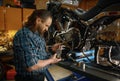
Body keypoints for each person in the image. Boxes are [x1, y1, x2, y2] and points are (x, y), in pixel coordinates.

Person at [13, 9, 62, 81]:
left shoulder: (37, 34)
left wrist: (51, 49)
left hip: (39, 76)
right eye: (46, 25)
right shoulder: (24, 35)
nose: (47, 29)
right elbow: (31, 66)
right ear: (38, 20)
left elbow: (37, 51)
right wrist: (51, 60)